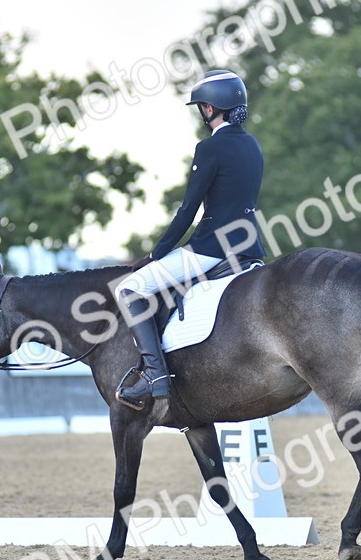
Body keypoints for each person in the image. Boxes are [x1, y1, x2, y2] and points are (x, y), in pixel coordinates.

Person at [114, 69, 267, 409]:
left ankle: (155, 374)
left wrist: (156, 254)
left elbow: (187, 211)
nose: (201, 112)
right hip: (250, 246)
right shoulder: (252, 145)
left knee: (131, 288)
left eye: (202, 106)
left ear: (211, 109)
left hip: (212, 248)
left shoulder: (210, 147)